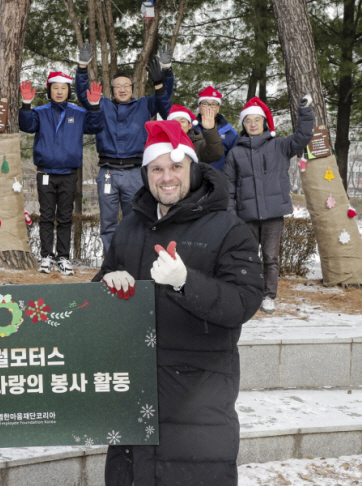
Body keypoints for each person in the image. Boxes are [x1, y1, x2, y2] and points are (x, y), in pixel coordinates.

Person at [96, 120, 263, 485]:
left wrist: (187, 282)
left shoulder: (228, 228)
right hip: (133, 390)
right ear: (145, 174)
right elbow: (101, 287)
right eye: (157, 168)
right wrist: (106, 283)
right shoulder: (131, 225)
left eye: (176, 167)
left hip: (197, 399)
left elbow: (244, 301)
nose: (166, 177)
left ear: (193, 168)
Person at [75, 43, 174, 254]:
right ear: (112, 89)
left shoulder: (144, 105)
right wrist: (82, 68)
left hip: (134, 174)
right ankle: (111, 263)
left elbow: (165, 102)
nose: (122, 89)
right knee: (108, 223)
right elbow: (84, 96)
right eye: (118, 86)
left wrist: (165, 73)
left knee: (136, 220)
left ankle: (133, 260)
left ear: (132, 88)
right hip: (108, 173)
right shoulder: (103, 105)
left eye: (126, 85)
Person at [224, 95, 314, 314]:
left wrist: (305, 112)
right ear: (243, 125)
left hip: (273, 215)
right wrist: (231, 214)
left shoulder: (280, 145)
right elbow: (228, 186)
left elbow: (303, 135)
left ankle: (268, 296)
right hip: (247, 216)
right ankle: (249, 293)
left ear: (264, 122)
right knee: (248, 257)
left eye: (257, 119)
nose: (253, 123)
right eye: (248, 120)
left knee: (271, 258)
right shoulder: (235, 153)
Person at [19, 72, 104, 275]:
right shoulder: (40, 112)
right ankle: (47, 256)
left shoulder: (78, 112)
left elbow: (95, 126)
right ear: (50, 90)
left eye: (63, 88)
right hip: (45, 172)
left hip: (69, 173)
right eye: (55, 87)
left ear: (68, 91)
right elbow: (27, 125)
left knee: (65, 217)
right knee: (47, 216)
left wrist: (94, 107)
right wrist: (25, 105)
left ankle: (64, 257)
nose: (59, 91)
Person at [195, 86, 238, 172]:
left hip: (218, 180)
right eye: (205, 103)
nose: (209, 108)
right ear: (199, 107)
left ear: (218, 108)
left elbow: (234, 162)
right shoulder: (190, 127)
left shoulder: (230, 132)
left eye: (214, 104)